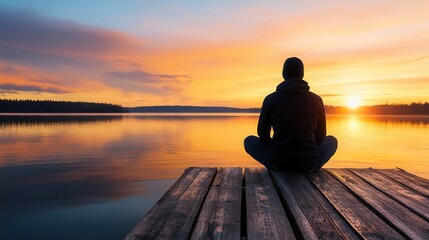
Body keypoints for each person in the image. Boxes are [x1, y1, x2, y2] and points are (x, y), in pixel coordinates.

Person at [244, 57, 337, 172]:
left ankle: (280, 158)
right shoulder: (317, 100)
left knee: (249, 141)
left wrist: (278, 145)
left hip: (278, 163)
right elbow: (320, 137)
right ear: (302, 74)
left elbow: (263, 135)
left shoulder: (270, 99)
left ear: (283, 74)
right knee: (332, 141)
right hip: (308, 165)